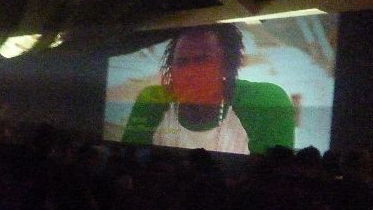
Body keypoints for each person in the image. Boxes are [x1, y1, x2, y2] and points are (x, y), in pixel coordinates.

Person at [122, 24, 295, 154]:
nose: (189, 72)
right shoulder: (153, 100)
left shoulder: (263, 100)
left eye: (202, 60)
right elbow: (129, 165)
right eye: (181, 62)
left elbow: (270, 180)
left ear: (226, 66)